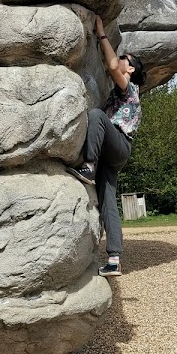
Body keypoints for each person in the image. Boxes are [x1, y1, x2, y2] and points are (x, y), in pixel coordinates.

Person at [67, 16, 146, 277]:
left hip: (119, 145)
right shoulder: (118, 93)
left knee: (97, 116)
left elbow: (112, 66)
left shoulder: (130, 88)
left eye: (127, 59)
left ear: (131, 69)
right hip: (112, 155)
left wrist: (101, 34)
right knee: (109, 202)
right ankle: (113, 259)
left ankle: (88, 167)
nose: (122, 59)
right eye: (123, 57)